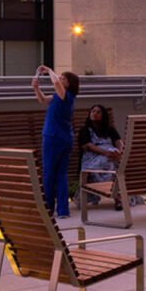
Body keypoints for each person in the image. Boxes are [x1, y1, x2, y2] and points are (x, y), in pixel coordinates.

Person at [32, 65, 80, 218]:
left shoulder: (65, 96)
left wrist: (50, 71)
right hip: (65, 138)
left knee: (48, 173)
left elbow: (56, 84)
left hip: (53, 137)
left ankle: (48, 208)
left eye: (63, 78)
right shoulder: (60, 96)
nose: (60, 79)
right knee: (60, 174)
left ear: (68, 83)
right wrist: (36, 88)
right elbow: (42, 100)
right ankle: (63, 211)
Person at [78, 104, 125, 210]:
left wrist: (119, 153)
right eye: (93, 111)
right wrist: (105, 152)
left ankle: (117, 196)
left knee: (117, 162)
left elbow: (119, 142)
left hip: (111, 156)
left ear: (103, 115)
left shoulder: (110, 130)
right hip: (92, 158)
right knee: (107, 161)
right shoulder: (85, 130)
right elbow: (88, 146)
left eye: (98, 112)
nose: (94, 113)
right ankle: (117, 196)